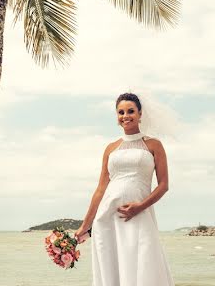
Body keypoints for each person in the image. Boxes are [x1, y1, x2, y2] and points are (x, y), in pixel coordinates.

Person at [75, 92, 174, 285]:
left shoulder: (153, 145)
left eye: (130, 111)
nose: (125, 116)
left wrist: (140, 206)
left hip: (139, 214)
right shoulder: (111, 148)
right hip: (108, 217)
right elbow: (101, 189)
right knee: (112, 268)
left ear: (140, 114)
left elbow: (164, 185)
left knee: (144, 262)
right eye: (121, 112)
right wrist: (85, 224)